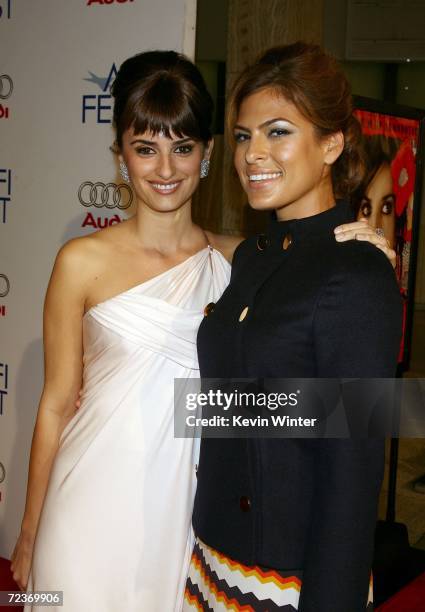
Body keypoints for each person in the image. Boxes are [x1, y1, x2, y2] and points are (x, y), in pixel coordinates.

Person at [10, 50, 394, 612]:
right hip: (88, 496)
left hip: (188, 513)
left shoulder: (242, 260)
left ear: (205, 155)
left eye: (182, 148)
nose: (165, 170)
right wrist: (28, 527)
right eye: (145, 149)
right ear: (121, 156)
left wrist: (366, 245)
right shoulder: (81, 262)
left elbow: (314, 411)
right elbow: (54, 405)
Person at [184, 42, 402, 612]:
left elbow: (354, 469)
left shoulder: (356, 270)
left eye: (278, 131)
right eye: (242, 135)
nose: (253, 153)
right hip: (213, 555)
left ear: (331, 143)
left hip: (288, 577)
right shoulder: (255, 256)